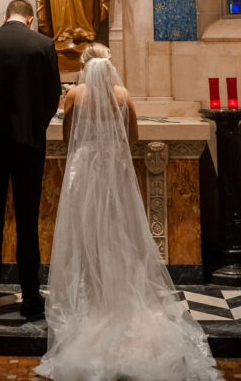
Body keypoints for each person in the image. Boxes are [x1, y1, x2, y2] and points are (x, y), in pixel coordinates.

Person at [36, 44, 222, 381]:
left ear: (84, 66)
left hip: (85, 172)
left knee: (87, 238)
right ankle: (119, 303)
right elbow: (133, 137)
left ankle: (92, 303)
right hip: (114, 171)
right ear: (109, 66)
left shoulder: (74, 95)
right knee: (119, 237)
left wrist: (89, 150)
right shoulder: (122, 94)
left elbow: (68, 139)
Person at [0, 0, 62, 319]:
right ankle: (31, 299)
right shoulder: (43, 45)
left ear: (5, 16)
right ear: (31, 19)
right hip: (29, 146)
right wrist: (35, 127)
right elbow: (52, 96)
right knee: (27, 223)